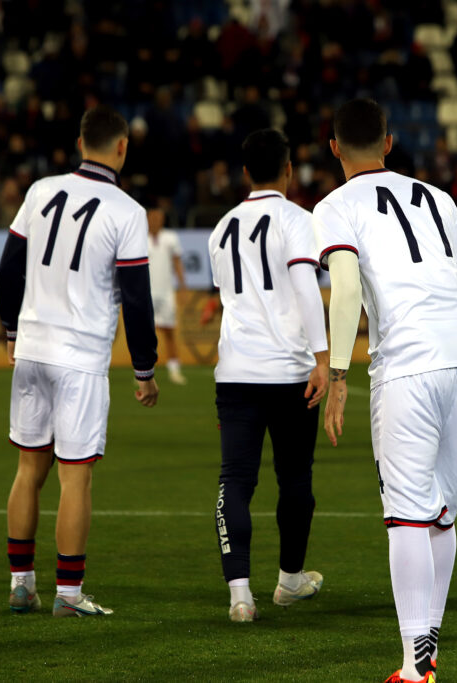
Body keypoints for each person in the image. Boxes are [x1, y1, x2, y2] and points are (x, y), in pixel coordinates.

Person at [316, 99, 457, 683]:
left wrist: (339, 376)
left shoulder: (334, 206)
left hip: (408, 366)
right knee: (441, 512)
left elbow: (344, 291)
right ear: (390, 143)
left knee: (405, 515)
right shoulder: (437, 197)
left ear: (334, 147)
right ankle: (428, 647)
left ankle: (414, 667)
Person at [0, 105, 160, 617]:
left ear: (80, 140)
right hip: (80, 356)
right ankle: (68, 594)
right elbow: (136, 298)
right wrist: (145, 369)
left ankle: (21, 585)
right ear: (122, 147)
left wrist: (10, 332)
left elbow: (7, 271)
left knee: (28, 470)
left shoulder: (40, 191)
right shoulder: (127, 211)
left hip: (32, 348)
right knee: (75, 477)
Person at [208, 129, 330, 623]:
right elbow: (305, 288)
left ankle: (240, 594)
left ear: (243, 174)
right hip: (290, 371)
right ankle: (288, 582)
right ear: (288, 171)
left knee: (236, 479)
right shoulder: (298, 220)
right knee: (295, 479)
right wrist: (324, 360)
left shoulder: (221, 228)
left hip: (236, 371)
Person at [146, 206, 188, 384]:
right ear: (147, 218)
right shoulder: (139, 239)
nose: (156, 221)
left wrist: (182, 286)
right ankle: (144, 372)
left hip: (166, 292)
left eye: (159, 217)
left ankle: (174, 370)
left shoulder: (170, 238)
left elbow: (177, 263)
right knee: (145, 334)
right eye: (153, 217)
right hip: (146, 293)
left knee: (169, 331)